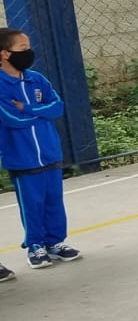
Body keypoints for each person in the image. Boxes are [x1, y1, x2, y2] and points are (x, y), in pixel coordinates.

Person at [0, 28, 81, 275]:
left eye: (29, 47)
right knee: (32, 204)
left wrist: (28, 107)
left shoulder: (37, 79)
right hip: (22, 158)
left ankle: (55, 241)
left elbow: (57, 107)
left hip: (49, 153)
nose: (29, 52)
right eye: (22, 49)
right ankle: (35, 246)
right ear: (4, 53)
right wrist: (38, 112)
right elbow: (11, 118)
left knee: (54, 200)